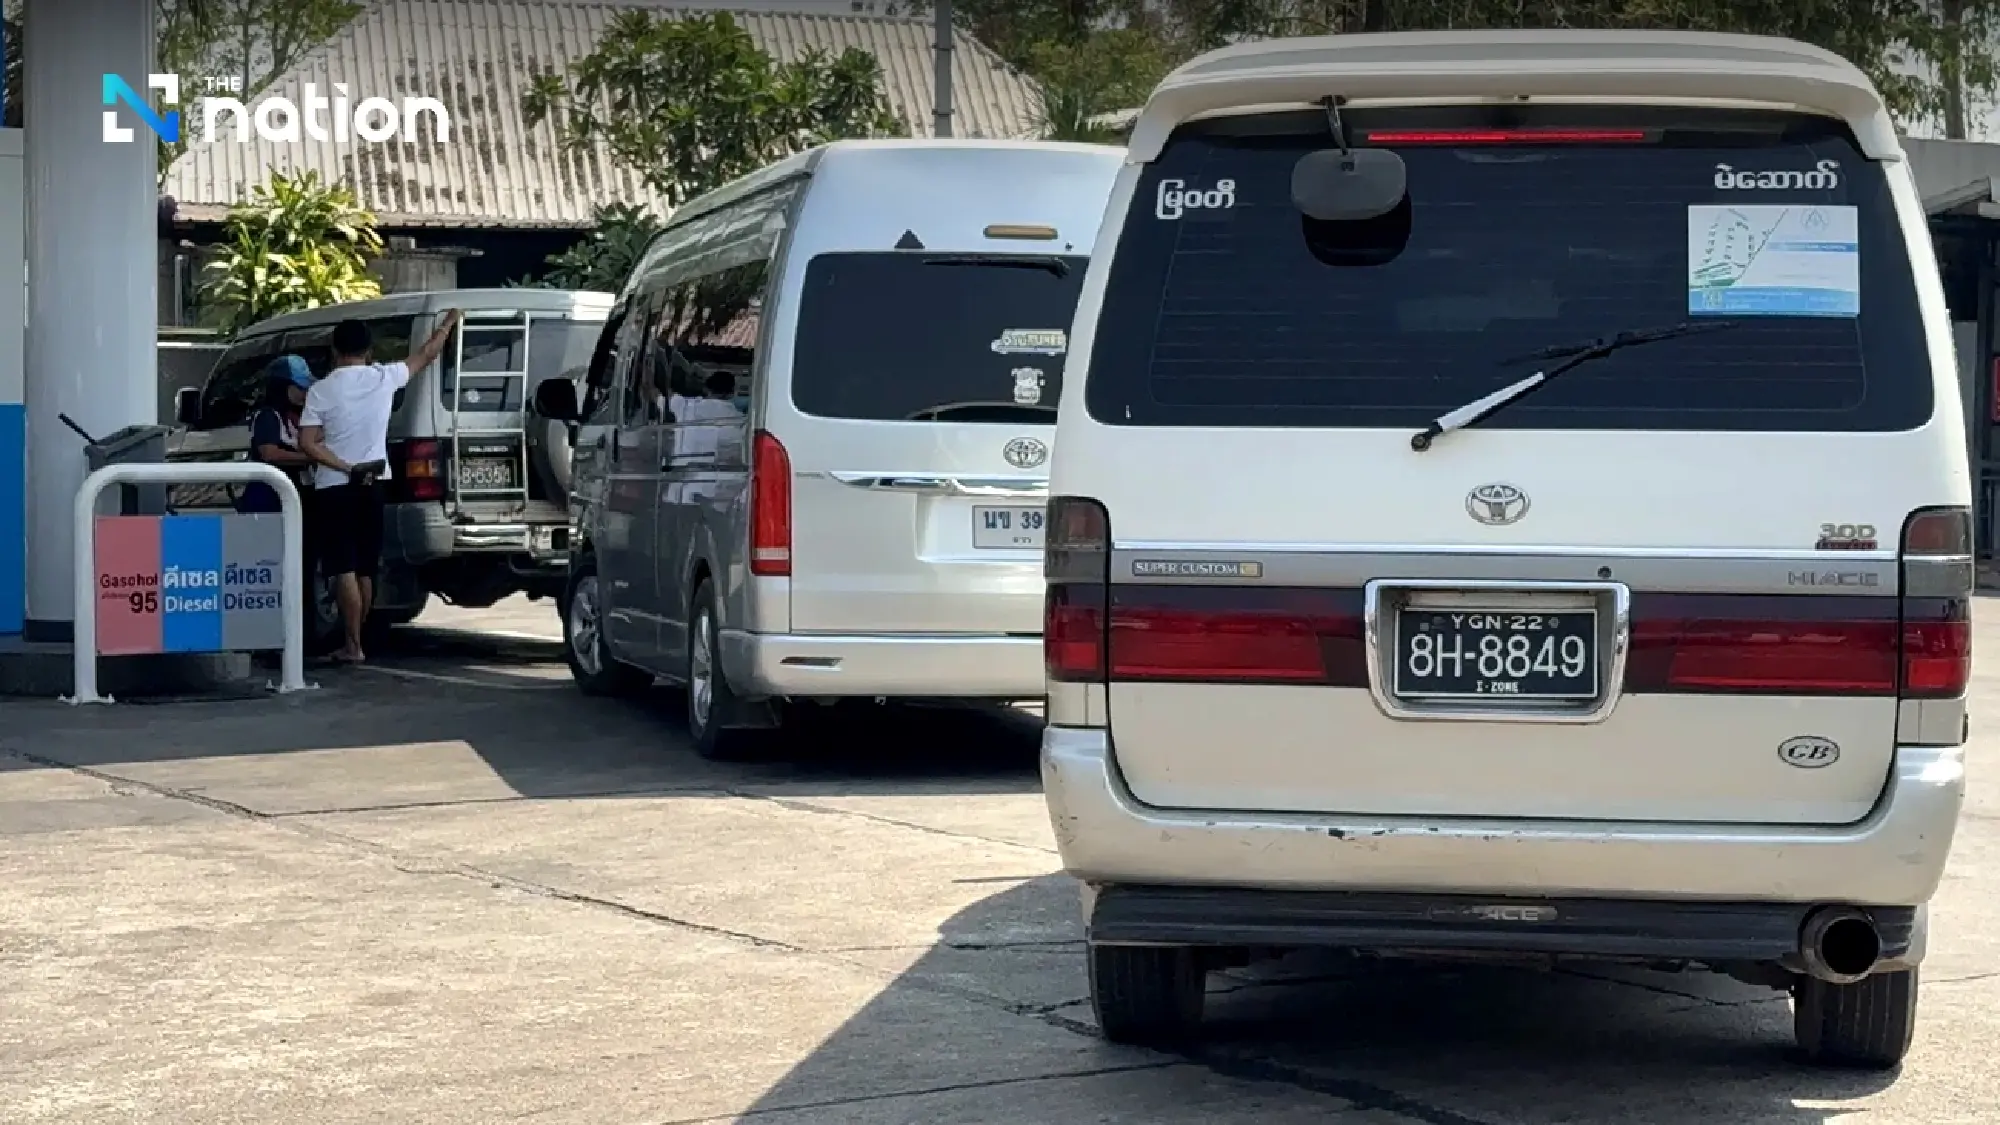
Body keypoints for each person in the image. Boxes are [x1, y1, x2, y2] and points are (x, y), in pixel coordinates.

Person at [299, 311, 462, 664]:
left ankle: (352, 643)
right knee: (365, 568)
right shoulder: (383, 377)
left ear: (334, 349)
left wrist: (342, 465)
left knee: (341, 567)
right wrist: (448, 325)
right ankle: (361, 639)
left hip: (334, 487)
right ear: (368, 349)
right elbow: (427, 353)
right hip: (375, 483)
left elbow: (308, 443)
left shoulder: (320, 390)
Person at [236, 355, 315, 514]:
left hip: (294, 494)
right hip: (268, 499)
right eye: (300, 388)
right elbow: (269, 453)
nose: (305, 394)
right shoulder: (267, 416)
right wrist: (311, 457)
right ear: (282, 386)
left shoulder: (296, 416)